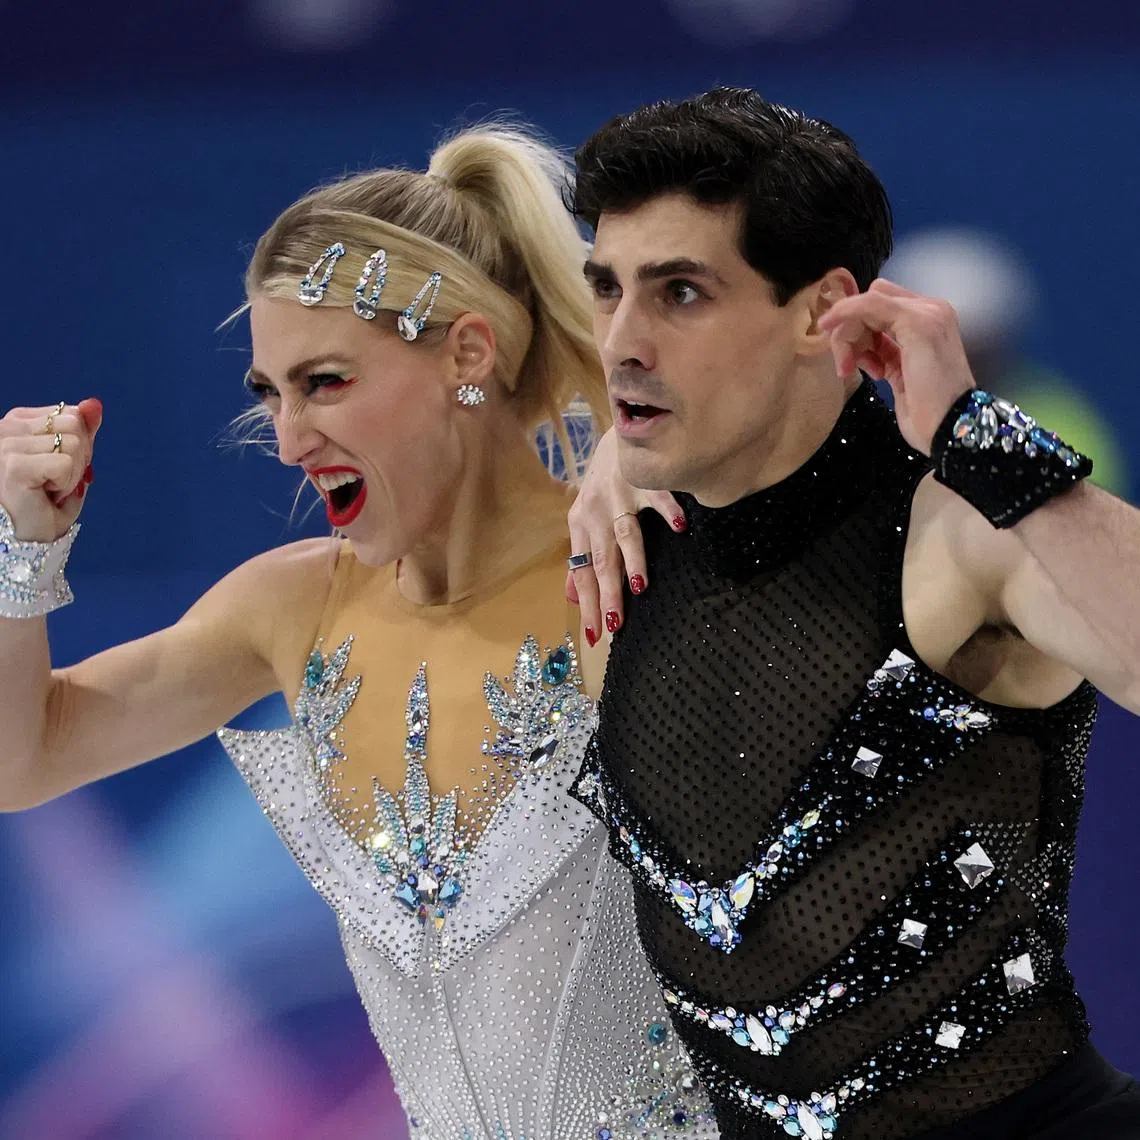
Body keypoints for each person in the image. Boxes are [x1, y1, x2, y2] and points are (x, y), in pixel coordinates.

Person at [0, 125, 716, 1140]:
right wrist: (19, 553)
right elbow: (19, 760)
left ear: (469, 355)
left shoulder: (635, 563)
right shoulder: (291, 611)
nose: (289, 439)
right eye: (270, 392)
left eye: (326, 382)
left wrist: (644, 461)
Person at [564, 88, 1140, 1140]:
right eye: (606, 290)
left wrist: (979, 437)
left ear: (822, 310)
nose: (620, 342)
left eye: (681, 293)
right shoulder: (621, 544)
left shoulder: (957, 527)